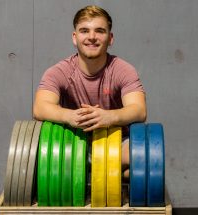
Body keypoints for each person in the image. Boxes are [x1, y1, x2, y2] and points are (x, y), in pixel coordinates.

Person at [33, 5, 146, 179]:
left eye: (100, 31)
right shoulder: (59, 71)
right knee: (44, 159)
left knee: (140, 161)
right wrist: (70, 116)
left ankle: (99, 172)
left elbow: (139, 109)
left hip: (116, 143)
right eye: (84, 31)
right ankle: (105, 173)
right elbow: (40, 107)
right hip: (74, 144)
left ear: (110, 38)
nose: (92, 37)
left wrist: (109, 117)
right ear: (74, 37)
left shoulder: (123, 70)